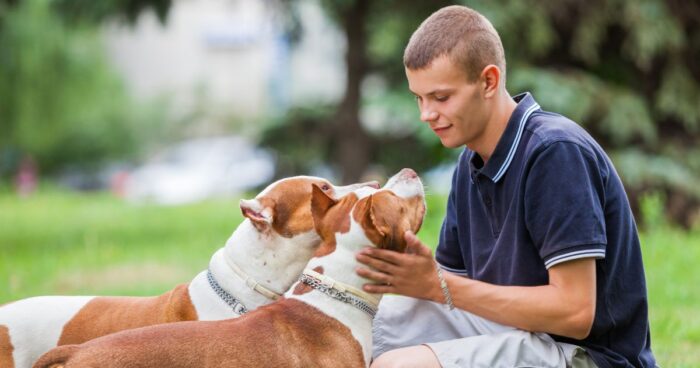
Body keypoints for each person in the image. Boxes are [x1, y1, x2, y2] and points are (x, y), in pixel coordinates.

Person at [355, 5, 656, 368]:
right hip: (511, 331)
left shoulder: (554, 152)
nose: (425, 114)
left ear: (488, 81)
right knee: (355, 322)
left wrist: (437, 286)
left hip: (588, 356)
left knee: (397, 366)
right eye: (418, 98)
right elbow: (454, 288)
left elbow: (576, 313)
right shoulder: (469, 163)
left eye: (440, 97)